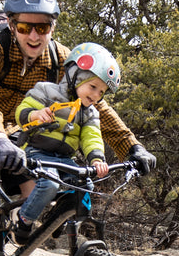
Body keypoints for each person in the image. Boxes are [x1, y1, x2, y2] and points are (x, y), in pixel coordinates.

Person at [0, 0, 156, 256]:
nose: (34, 36)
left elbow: (93, 102)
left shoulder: (61, 58)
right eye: (25, 27)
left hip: (12, 120)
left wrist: (131, 147)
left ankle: (4, 244)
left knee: (36, 193)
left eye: (43, 28)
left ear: (53, 27)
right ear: (12, 24)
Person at [10, 42, 118, 243]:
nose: (96, 95)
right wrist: (35, 114)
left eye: (101, 92)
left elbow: (92, 136)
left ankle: (55, 220)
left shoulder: (90, 112)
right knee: (49, 183)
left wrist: (96, 159)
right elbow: (21, 112)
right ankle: (23, 219)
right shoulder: (46, 91)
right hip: (36, 151)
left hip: (63, 158)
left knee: (85, 185)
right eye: (93, 87)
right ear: (75, 75)